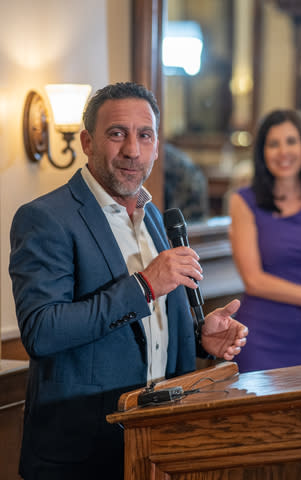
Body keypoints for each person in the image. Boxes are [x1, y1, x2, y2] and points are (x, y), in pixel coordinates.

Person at [9, 81, 248, 480]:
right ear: (86, 141)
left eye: (145, 135)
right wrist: (145, 285)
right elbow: (42, 331)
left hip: (156, 447)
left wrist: (199, 335)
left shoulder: (153, 216)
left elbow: (148, 328)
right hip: (82, 453)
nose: (132, 150)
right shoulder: (46, 218)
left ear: (157, 145)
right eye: (116, 134)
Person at [229, 108, 301, 374]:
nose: (283, 152)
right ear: (262, 153)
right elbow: (253, 281)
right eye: (273, 144)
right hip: (263, 337)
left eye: (291, 141)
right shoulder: (244, 201)